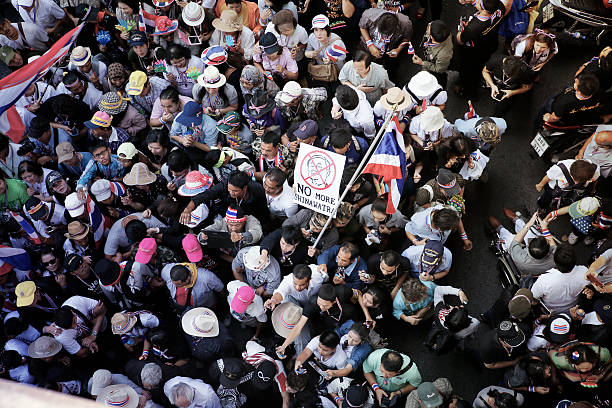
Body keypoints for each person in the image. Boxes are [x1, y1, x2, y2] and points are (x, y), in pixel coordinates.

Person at [454, 0, 507, 99]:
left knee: (469, 72)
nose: (477, 1)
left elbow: (460, 40)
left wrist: (461, 30)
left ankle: (469, 93)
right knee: (482, 65)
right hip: (490, 45)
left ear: (484, 10)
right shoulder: (500, 7)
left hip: (474, 52)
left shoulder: (473, 27)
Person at [489, 210, 557, 277]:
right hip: (532, 269)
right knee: (528, 230)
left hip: (521, 256)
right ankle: (516, 220)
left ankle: (501, 225)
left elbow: (515, 241)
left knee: (506, 234)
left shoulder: (520, 258)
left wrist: (530, 223)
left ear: (529, 245)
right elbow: (552, 244)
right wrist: (544, 227)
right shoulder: (555, 259)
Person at [530, 244, 588, 313]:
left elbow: (533, 299)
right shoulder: (585, 272)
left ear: (554, 262)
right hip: (572, 309)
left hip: (550, 312)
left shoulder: (544, 280)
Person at [412, 20, 453, 88]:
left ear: (431, 37)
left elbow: (439, 69)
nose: (428, 25)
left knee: (438, 81)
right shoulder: (438, 30)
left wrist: (422, 63)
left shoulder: (443, 55)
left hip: (436, 71)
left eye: (429, 27)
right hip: (429, 56)